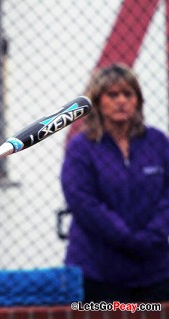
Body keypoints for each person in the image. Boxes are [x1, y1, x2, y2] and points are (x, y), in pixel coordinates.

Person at [60, 63, 169, 303]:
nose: (121, 101)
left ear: (138, 101)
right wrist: (126, 238)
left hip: (155, 268)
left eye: (128, 94)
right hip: (97, 270)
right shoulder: (82, 148)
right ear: (98, 101)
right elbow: (83, 201)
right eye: (112, 95)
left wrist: (153, 235)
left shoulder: (158, 142)